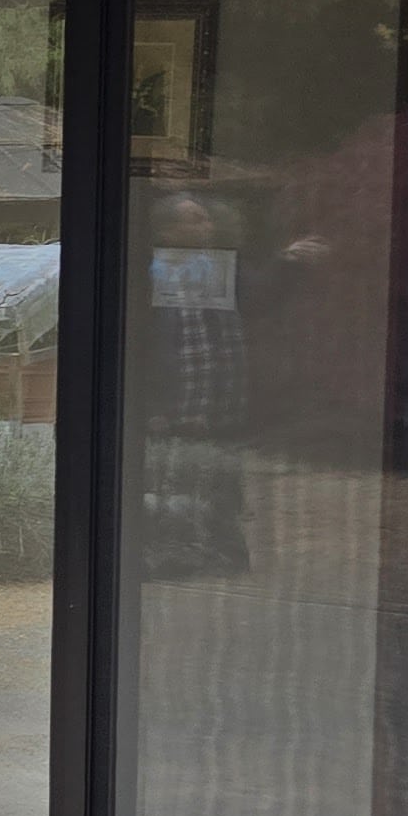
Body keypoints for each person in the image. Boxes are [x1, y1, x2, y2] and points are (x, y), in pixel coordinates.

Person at [143, 189, 254, 575]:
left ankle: (224, 554)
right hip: (174, 403)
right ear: (168, 232)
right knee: (169, 483)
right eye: (195, 219)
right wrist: (155, 406)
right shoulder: (148, 275)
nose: (207, 225)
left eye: (206, 218)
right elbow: (144, 346)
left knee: (220, 479)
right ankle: (169, 556)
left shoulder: (220, 269)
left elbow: (259, 299)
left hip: (219, 400)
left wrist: (290, 263)